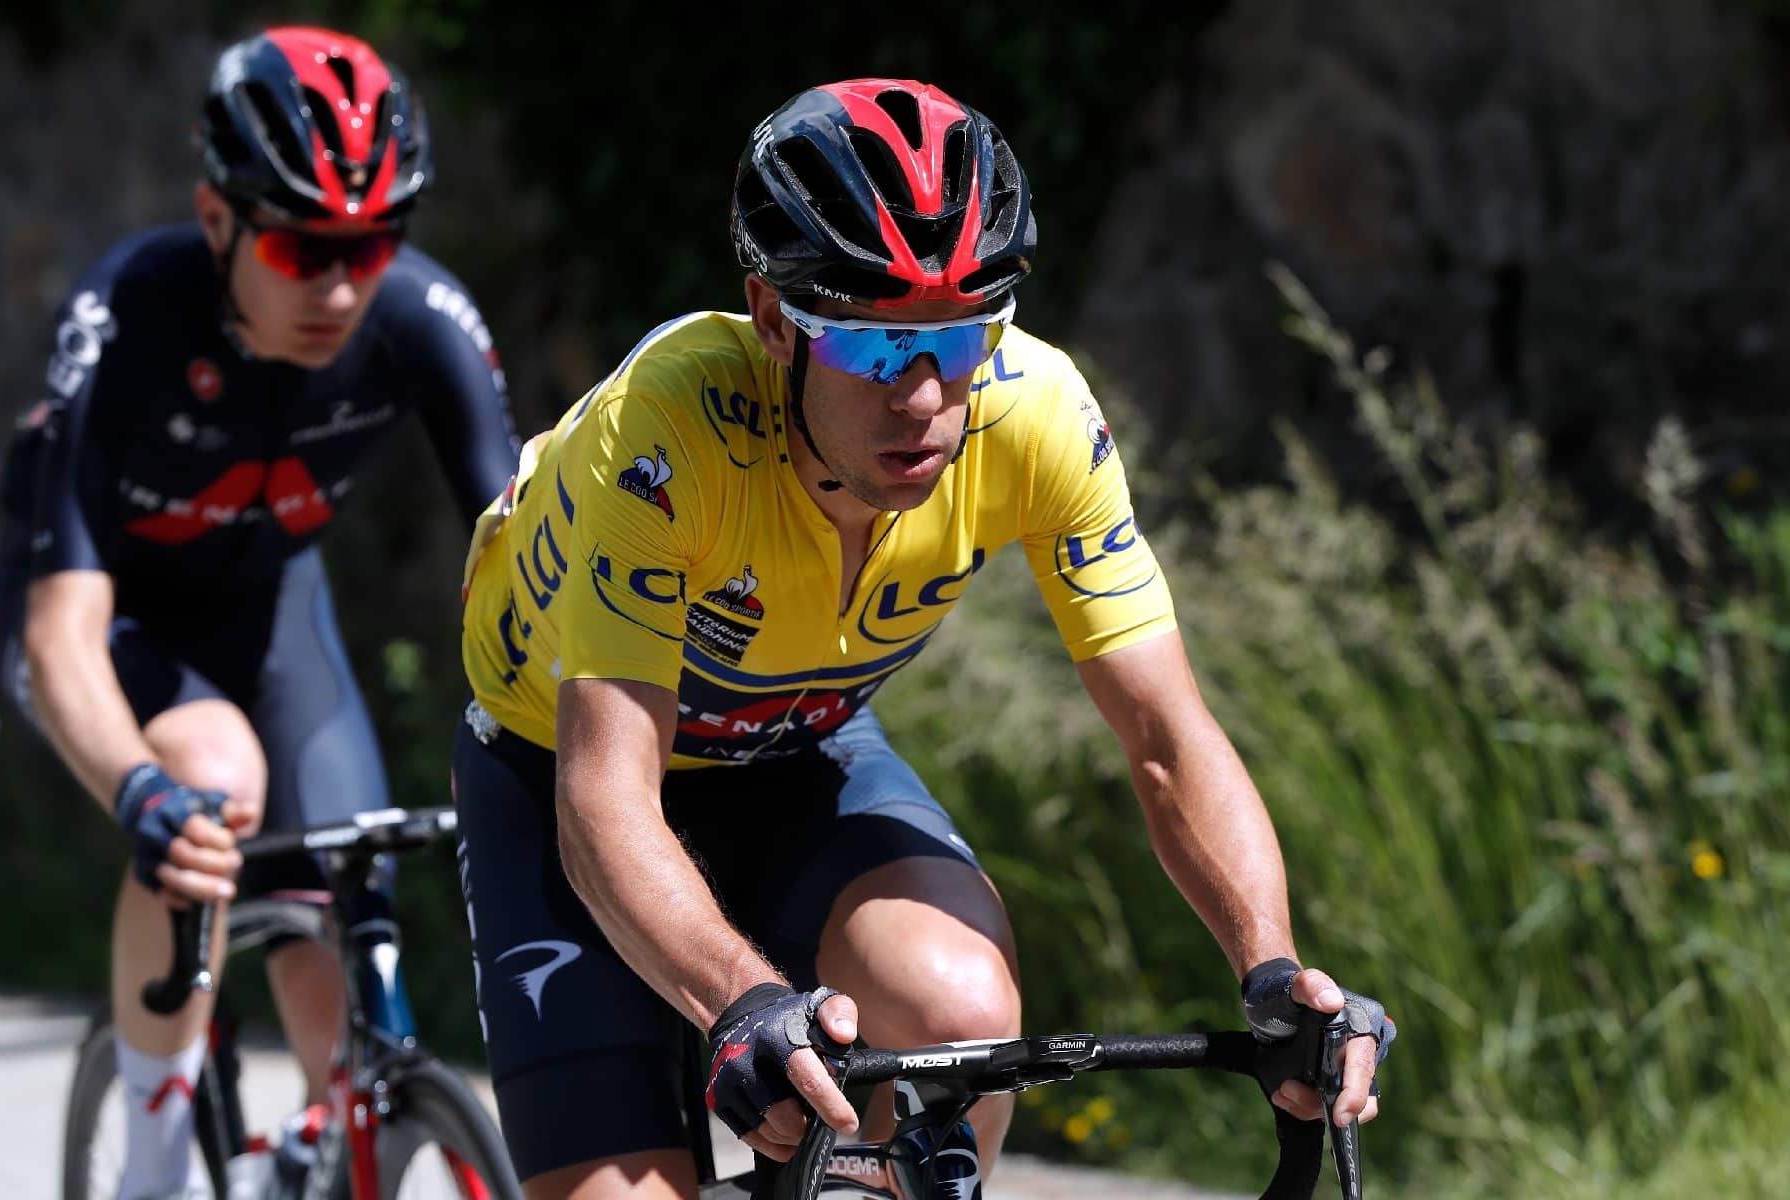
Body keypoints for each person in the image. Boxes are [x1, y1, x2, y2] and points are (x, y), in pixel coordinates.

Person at [451, 78, 1393, 1199]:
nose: (924, 393)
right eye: (872, 344)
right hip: (557, 773)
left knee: (959, 1014)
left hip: (797, 750)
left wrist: (1273, 972)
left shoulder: (1037, 414)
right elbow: (605, 800)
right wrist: (744, 1004)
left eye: (960, 333)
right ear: (772, 321)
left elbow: (1165, 736)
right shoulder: (664, 436)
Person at [0, 26, 519, 1200]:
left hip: (275, 617)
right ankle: (156, 1167)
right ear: (217, 218)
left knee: (352, 875)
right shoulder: (128, 315)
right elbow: (59, 630)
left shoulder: (421, 315)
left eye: (373, 243)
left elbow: (537, 559)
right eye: (300, 246)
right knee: (212, 782)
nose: (340, 285)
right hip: (101, 622)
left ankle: (329, 1146)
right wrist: (138, 789)